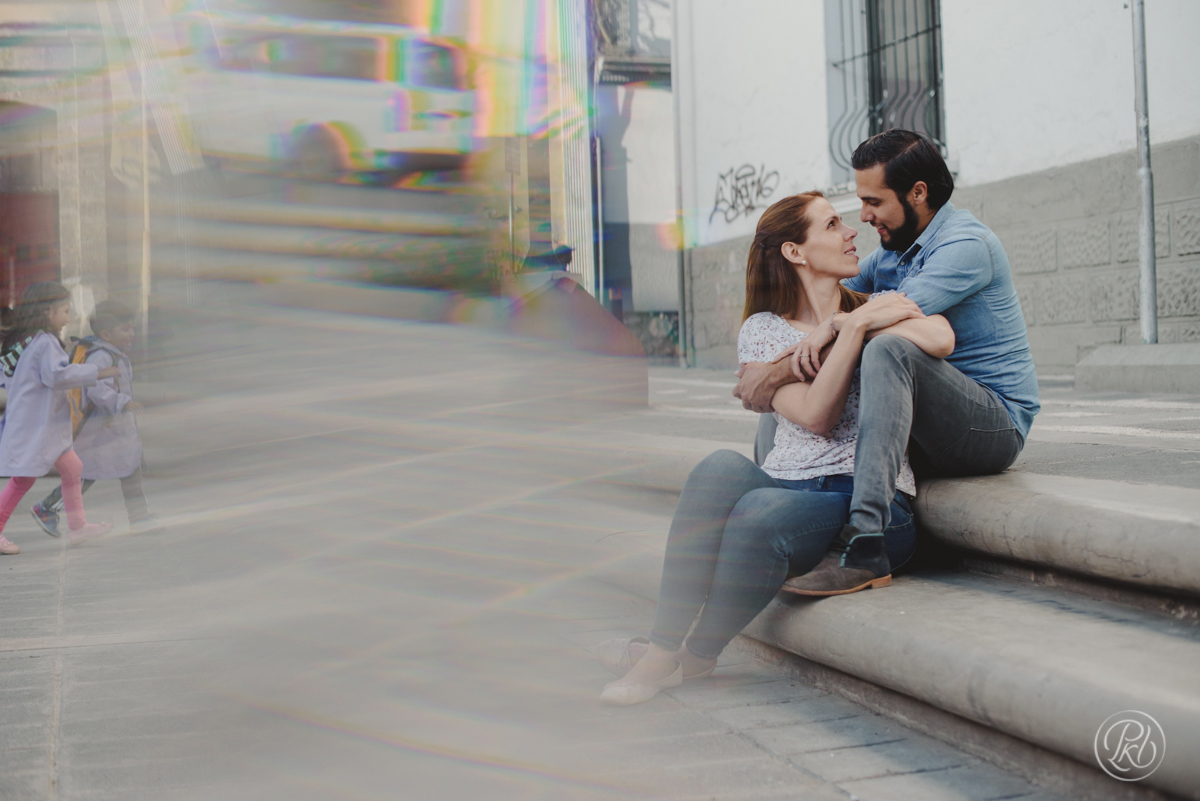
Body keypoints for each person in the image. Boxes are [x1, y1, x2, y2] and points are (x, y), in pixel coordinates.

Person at [596, 191, 955, 706]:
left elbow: (941, 336)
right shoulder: (762, 330)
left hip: (872, 507)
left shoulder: (870, 306)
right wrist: (851, 331)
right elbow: (815, 414)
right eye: (832, 224)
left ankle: (695, 656)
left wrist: (850, 322)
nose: (851, 231)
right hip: (790, 484)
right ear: (795, 252)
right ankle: (660, 649)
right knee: (719, 467)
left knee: (760, 511)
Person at [733, 130, 1040, 595]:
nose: (865, 216)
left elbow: (881, 322)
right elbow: (832, 288)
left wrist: (775, 370)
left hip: (988, 424)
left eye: (873, 201)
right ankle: (778, 492)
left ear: (918, 193)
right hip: (918, 418)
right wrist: (773, 375)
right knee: (795, 393)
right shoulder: (893, 251)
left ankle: (867, 541)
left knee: (885, 347)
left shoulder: (965, 246)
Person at [0, 282, 118, 553]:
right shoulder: (45, 342)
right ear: (47, 311)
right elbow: (56, 376)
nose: (69, 317)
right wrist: (96, 372)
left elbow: (8, 376)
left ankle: (78, 528)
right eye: (65, 310)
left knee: (72, 468)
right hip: (37, 427)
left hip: (38, 425)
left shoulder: (24, 341)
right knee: (23, 480)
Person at [30, 300, 153, 537]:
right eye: (125, 329)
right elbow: (97, 390)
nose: (132, 334)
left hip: (115, 428)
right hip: (101, 430)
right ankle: (47, 507)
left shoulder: (113, 353)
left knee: (130, 470)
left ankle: (139, 518)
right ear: (106, 334)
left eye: (132, 328)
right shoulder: (102, 357)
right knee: (87, 474)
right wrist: (122, 402)